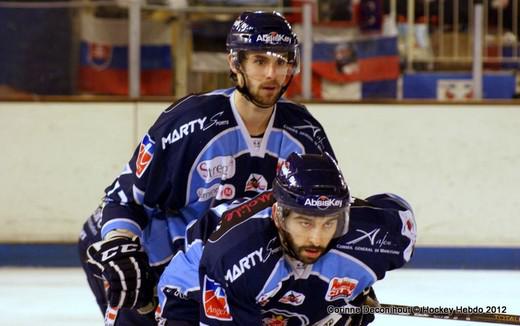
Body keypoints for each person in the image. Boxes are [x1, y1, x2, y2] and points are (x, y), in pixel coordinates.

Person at [78, 11, 338, 325]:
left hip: (231, 273)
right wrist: (120, 245)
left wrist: (347, 288)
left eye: (281, 62)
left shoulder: (306, 133)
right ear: (234, 63)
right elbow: (122, 199)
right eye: (259, 61)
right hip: (154, 267)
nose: (272, 74)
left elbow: (327, 212)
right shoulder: (189, 124)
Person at [157, 152, 416, 325]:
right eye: (305, 222)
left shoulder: (382, 236)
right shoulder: (235, 257)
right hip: (196, 282)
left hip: (272, 290)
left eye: (329, 223)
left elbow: (398, 211)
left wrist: (355, 290)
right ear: (279, 217)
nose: (317, 238)